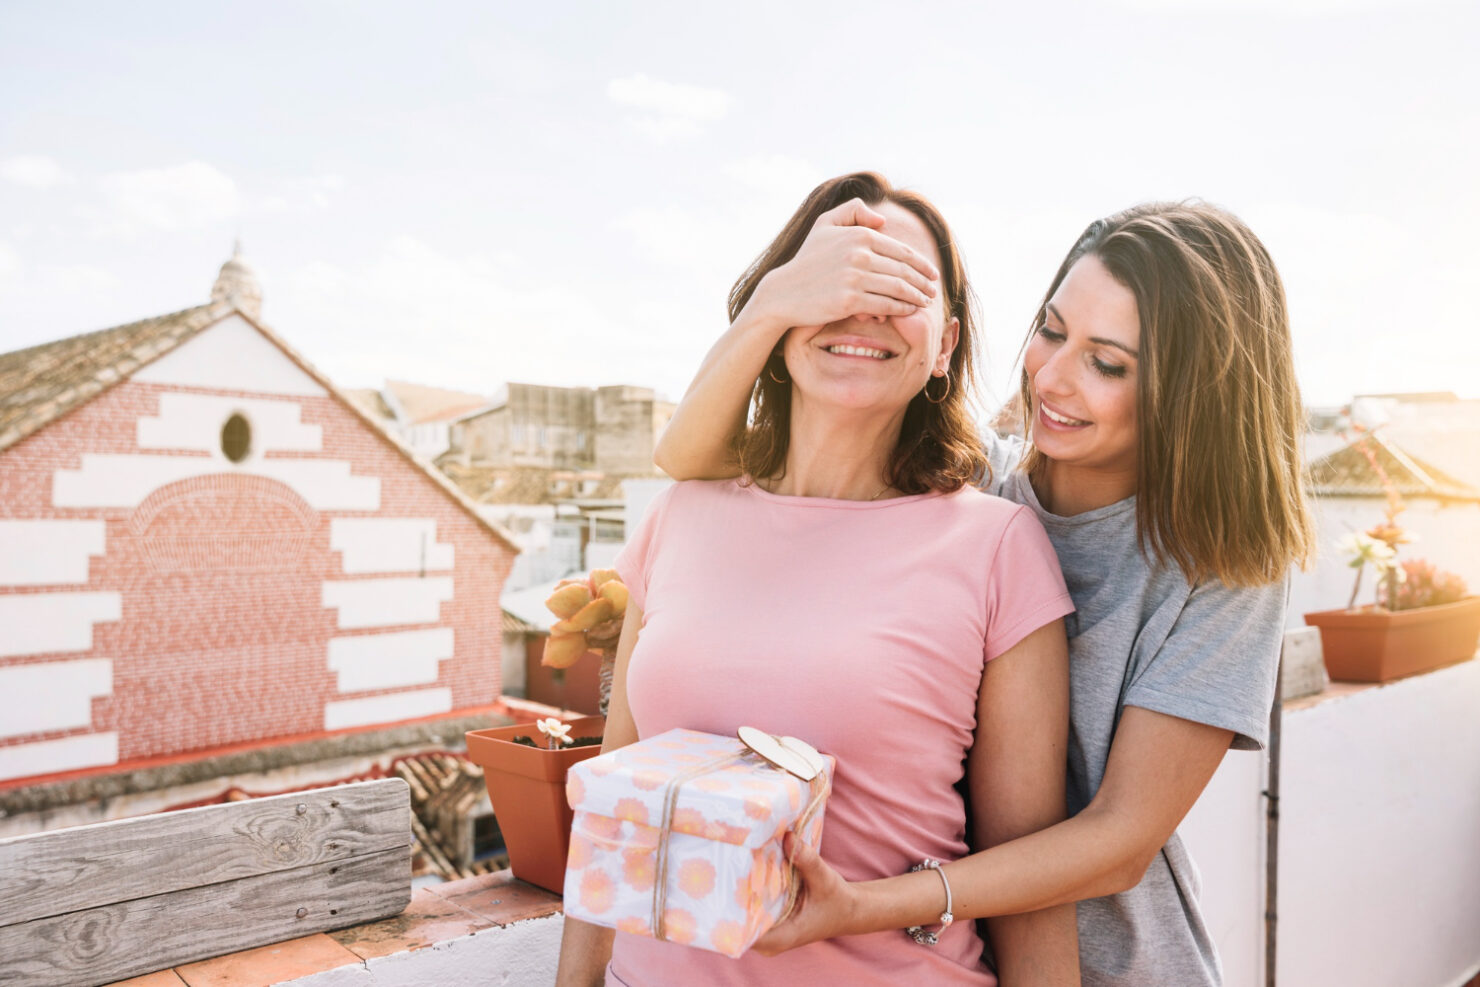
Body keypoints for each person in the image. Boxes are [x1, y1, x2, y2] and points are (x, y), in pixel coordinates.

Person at [653, 191, 1316, 986]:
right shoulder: (979, 489)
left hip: (1116, 964)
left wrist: (872, 903)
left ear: (1192, 393)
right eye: (1051, 331)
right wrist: (777, 301)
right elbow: (687, 461)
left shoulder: (1227, 567)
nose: (1053, 380)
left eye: (1107, 363)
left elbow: (1120, 839)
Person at [556, 172, 1082, 986]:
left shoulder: (998, 546)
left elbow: (1028, 876)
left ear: (944, 345)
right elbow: (611, 822)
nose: (864, 305)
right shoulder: (678, 516)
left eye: (900, 283)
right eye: (833, 275)